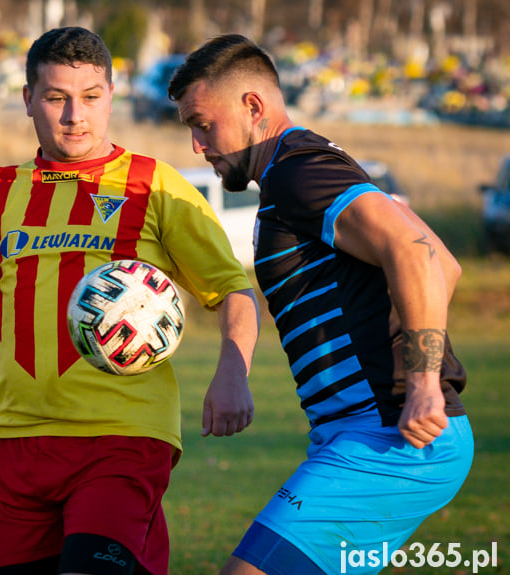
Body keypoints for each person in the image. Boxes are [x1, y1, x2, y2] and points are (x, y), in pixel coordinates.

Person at [0, 27, 259, 575]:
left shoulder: (154, 187)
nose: (74, 116)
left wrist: (234, 370)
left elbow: (232, 289)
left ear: (111, 97)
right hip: (11, 445)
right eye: (57, 98)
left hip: (120, 440)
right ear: (29, 101)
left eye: (89, 98)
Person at [167, 34, 474, 575]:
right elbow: (441, 262)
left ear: (253, 107)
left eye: (202, 123)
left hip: (387, 439)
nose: (198, 145)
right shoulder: (301, 169)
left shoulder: (297, 170)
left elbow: (418, 254)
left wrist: (422, 382)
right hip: (370, 433)